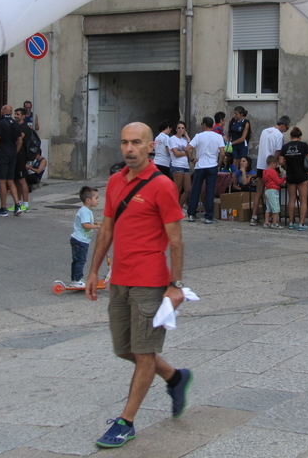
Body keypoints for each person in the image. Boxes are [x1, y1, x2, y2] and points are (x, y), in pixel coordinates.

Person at [85, 122, 191, 449]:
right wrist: (93, 271)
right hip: (119, 278)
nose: (129, 149)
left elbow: (175, 240)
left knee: (144, 353)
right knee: (124, 348)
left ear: (150, 147)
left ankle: (126, 422)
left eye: (135, 143)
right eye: (124, 143)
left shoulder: (162, 185)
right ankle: (175, 377)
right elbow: (106, 230)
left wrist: (175, 285)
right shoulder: (116, 181)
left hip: (150, 281)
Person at [250, 116, 291, 226]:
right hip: (272, 166)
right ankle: (274, 218)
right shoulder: (279, 135)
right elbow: (278, 151)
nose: (286, 131)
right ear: (283, 125)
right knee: (273, 190)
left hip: (260, 164)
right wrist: (278, 163)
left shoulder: (264, 131)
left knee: (259, 191)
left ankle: (254, 216)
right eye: (287, 128)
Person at [186, 117, 225, 224]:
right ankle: (208, 216)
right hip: (212, 165)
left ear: (203, 124)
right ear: (212, 125)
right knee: (210, 191)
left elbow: (187, 149)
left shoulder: (199, 136)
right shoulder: (218, 137)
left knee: (196, 189)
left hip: (200, 165)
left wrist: (192, 159)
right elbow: (222, 153)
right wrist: (219, 164)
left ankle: (191, 214)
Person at [0, 105, 22, 216]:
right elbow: (20, 141)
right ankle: (17, 204)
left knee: (2, 181)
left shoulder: (1, 123)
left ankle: (3, 207)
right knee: (10, 180)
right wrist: (15, 151)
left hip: (3, 154)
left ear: (3, 111)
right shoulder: (16, 124)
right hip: (12, 154)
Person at [70, 186, 100, 287]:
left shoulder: (86, 211)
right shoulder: (85, 211)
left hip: (79, 239)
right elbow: (85, 225)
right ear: (88, 200)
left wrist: (96, 223)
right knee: (80, 260)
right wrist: (96, 227)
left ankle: (75, 279)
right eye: (96, 198)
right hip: (81, 241)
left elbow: (87, 222)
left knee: (77, 260)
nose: (98, 200)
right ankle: (77, 280)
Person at [282, 127, 308, 230]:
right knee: (303, 200)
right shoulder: (304, 146)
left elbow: (281, 161)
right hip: (302, 174)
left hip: (290, 174)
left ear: (290, 136)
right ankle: (301, 223)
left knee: (292, 199)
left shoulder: (285, 147)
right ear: (300, 136)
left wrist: (286, 165)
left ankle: (291, 222)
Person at [12, 107, 32, 212]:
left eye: (18, 114)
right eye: (15, 114)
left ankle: (26, 203)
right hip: (16, 156)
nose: (16, 116)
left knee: (22, 179)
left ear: (23, 116)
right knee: (16, 180)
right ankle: (18, 203)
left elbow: (19, 139)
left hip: (21, 155)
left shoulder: (24, 127)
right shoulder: (16, 126)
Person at [168, 121, 191, 209]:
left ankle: (179, 207)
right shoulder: (172, 139)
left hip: (185, 165)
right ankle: (174, 207)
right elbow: (176, 153)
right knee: (178, 188)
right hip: (177, 165)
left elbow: (191, 150)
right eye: (179, 128)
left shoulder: (185, 140)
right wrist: (187, 153)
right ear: (176, 129)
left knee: (188, 189)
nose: (181, 130)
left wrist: (188, 137)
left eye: (182, 128)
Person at [262, 155, 286, 229]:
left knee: (268, 208)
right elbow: (278, 181)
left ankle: (266, 222)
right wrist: (284, 178)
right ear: (272, 163)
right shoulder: (272, 171)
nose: (277, 166)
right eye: (276, 164)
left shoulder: (265, 172)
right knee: (276, 208)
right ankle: (274, 223)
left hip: (267, 190)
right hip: (273, 190)